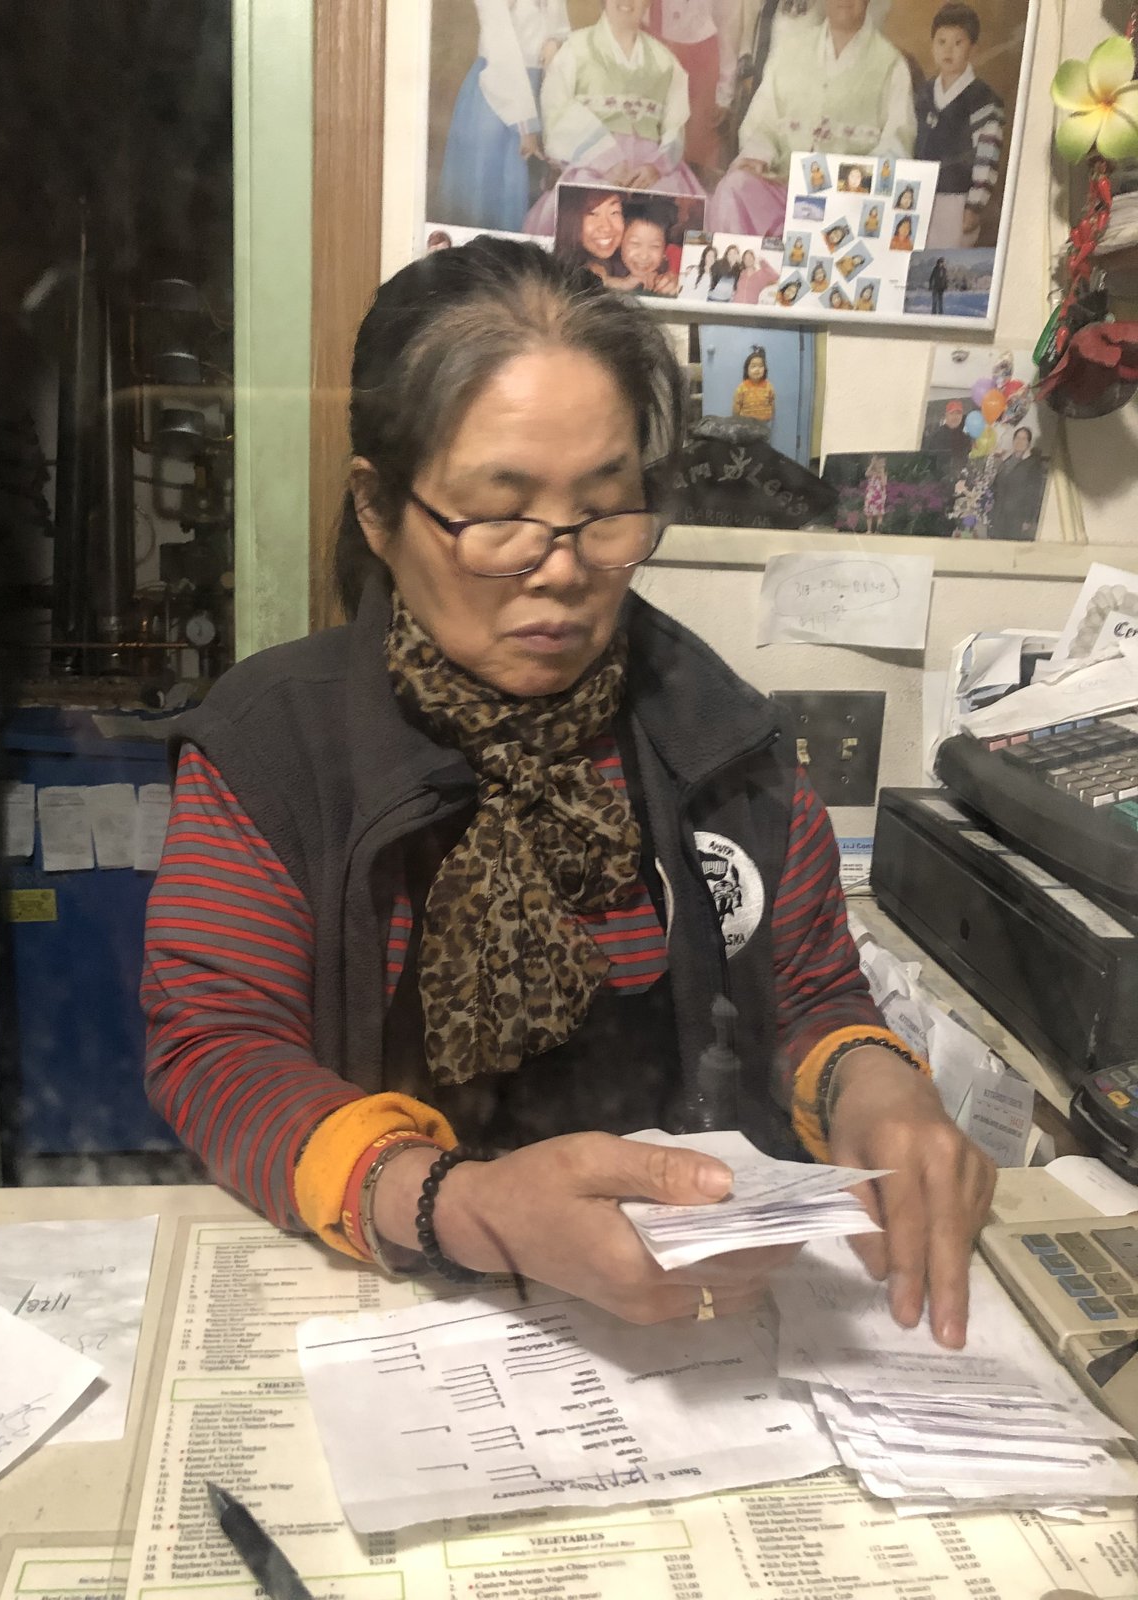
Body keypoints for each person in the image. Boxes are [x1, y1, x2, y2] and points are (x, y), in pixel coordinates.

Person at [143, 238, 993, 1339]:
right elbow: (219, 1049)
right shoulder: (276, 749)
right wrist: (459, 1206)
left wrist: (871, 1081)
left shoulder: (718, 737)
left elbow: (812, 993)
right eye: (498, 514)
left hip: (688, 1314)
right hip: (395, 1300)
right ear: (378, 509)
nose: (562, 568)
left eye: (605, 510)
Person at [706, 0, 916, 236]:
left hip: (846, 200)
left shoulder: (891, 64)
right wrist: (758, 156)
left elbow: (897, 145)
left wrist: (844, 181)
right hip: (783, 189)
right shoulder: (790, 52)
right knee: (733, 189)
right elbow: (763, 123)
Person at [524, 0, 705, 237]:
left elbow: (676, 124)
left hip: (650, 169)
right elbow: (557, 110)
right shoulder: (576, 48)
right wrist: (606, 160)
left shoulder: (665, 60)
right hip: (592, 162)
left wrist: (655, 167)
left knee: (675, 210)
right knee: (587, 205)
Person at [437, 0, 571, 233]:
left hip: (539, 90)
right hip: (496, 96)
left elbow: (560, 29)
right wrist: (525, 126)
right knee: (494, 192)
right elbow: (500, 51)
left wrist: (556, 42)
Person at [915, 3, 1004, 250]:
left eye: (958, 43)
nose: (948, 50)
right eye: (941, 42)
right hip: (919, 196)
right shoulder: (923, 94)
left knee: (945, 259)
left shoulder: (983, 100)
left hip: (956, 201)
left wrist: (974, 206)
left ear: (972, 49)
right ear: (932, 46)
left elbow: (987, 158)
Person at [642, 0, 742, 172]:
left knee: (694, 150)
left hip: (702, 64)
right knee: (652, 144)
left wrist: (724, 92)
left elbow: (727, 29)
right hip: (654, 52)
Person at [553, 186, 630, 282]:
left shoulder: (628, 263)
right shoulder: (560, 273)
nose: (606, 227)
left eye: (614, 212)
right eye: (592, 213)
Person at [989, 426, 1045, 539]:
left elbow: (1033, 494)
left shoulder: (1033, 464)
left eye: (1024, 439)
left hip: (1017, 517)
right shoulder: (1006, 461)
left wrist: (1028, 519)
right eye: (1017, 438)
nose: (1020, 441)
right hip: (999, 514)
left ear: (1028, 443)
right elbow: (996, 486)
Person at [617, 199, 681, 295]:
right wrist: (623, 283)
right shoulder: (605, 265)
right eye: (635, 243)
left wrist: (676, 284)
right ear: (620, 242)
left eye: (655, 246)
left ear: (665, 250)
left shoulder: (670, 273)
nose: (644, 256)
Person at [731, 344, 776, 422]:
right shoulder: (742, 387)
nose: (757, 369)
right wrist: (736, 420)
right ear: (747, 369)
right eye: (753, 366)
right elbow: (736, 406)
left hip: (764, 423)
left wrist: (772, 416)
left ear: (765, 369)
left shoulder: (768, 386)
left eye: (761, 366)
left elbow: (772, 403)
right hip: (746, 424)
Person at [863, 452, 888, 531]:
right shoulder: (872, 472)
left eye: (883, 463)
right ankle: (869, 530)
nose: (881, 465)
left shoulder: (884, 473)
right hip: (871, 494)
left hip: (880, 495)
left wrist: (882, 473)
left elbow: (884, 483)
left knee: (879, 513)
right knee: (869, 513)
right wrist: (872, 463)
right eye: (879, 463)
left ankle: (878, 530)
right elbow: (866, 474)